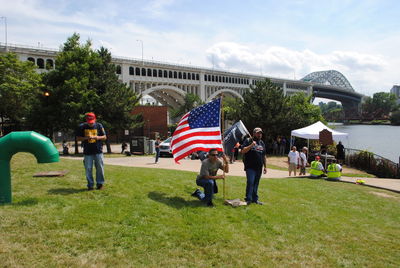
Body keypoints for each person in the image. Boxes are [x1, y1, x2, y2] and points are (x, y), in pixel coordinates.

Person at [76, 112, 107, 190]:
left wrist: (97, 137)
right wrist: (86, 138)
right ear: (86, 120)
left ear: (95, 119)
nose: (90, 124)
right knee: (88, 168)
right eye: (89, 122)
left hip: (98, 151)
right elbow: (78, 138)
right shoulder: (82, 127)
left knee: (100, 168)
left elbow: (104, 137)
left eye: (92, 122)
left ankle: (100, 184)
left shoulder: (99, 126)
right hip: (87, 152)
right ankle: (90, 185)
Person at [241, 127, 267, 205]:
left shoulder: (262, 143)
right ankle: (248, 199)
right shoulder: (248, 140)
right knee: (250, 182)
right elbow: (243, 151)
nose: (260, 134)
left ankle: (254, 199)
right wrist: (251, 145)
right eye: (258, 133)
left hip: (259, 167)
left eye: (261, 133)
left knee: (256, 183)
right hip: (250, 167)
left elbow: (264, 155)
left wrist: (265, 167)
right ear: (254, 133)